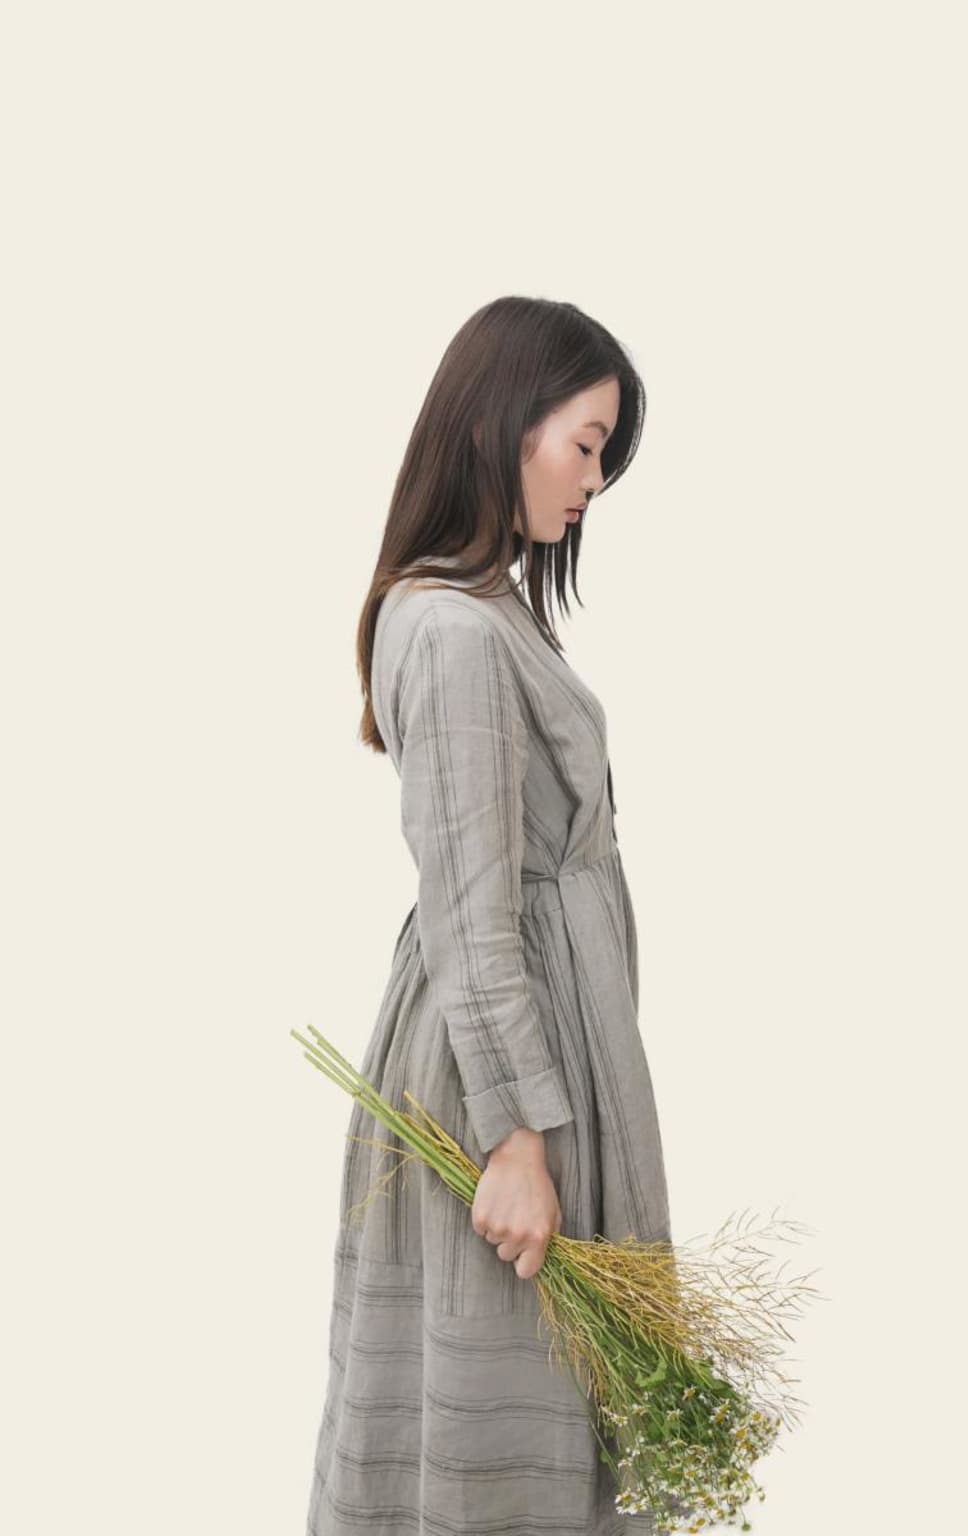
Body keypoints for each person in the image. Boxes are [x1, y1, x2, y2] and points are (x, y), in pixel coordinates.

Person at [307, 295, 672, 1534]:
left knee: (535, 1416)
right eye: (586, 445)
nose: (594, 483)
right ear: (501, 423)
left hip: (533, 1051)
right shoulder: (455, 631)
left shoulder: (485, 609)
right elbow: (469, 911)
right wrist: (516, 1138)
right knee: (504, 1419)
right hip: (498, 1075)